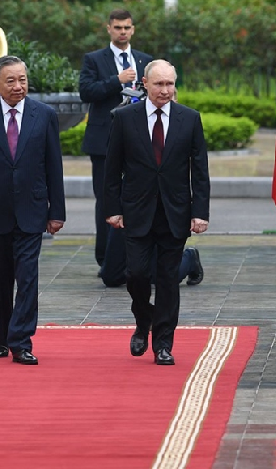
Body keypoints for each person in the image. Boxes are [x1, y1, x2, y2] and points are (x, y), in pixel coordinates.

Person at [0, 55, 66, 366]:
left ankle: (21, 341)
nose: (19, 86)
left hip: (31, 211)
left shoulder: (43, 115)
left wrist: (56, 210)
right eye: (11, 81)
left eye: (23, 80)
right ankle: (2, 335)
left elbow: (53, 166)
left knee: (28, 276)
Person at [104, 59, 209, 365]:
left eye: (170, 84)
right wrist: (113, 209)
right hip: (136, 211)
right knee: (136, 274)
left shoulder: (189, 119)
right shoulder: (124, 118)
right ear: (145, 85)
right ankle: (143, 320)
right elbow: (112, 169)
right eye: (159, 84)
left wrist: (199, 212)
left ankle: (163, 343)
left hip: (175, 212)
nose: (166, 90)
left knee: (166, 280)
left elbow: (199, 170)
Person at [80, 9, 152, 269]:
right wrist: (116, 81)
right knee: (106, 201)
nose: (123, 31)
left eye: (127, 27)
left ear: (133, 29)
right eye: (118, 27)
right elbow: (86, 91)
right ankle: (106, 259)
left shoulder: (145, 61)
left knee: (139, 199)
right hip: (104, 142)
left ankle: (135, 257)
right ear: (109, 28)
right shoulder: (94, 60)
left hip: (137, 143)